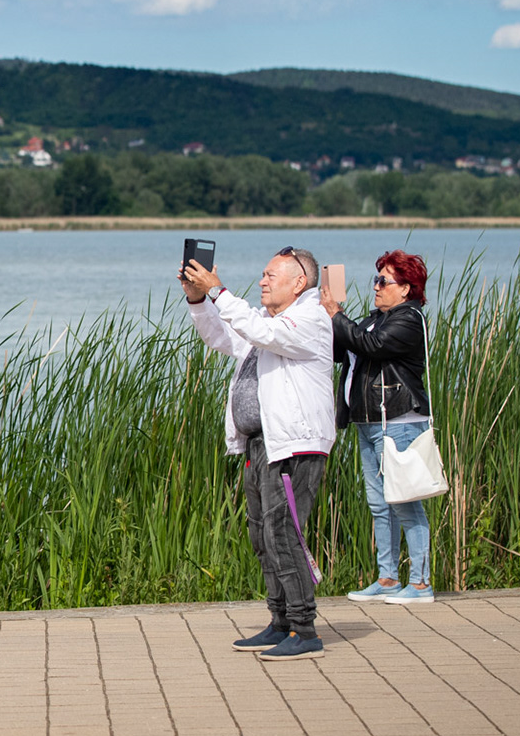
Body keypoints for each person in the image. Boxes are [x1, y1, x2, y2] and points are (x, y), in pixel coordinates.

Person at [180, 246, 336, 661]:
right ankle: (280, 622)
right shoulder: (269, 324)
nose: (263, 281)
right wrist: (198, 298)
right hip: (261, 444)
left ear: (299, 282)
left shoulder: (309, 319)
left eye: (270, 275)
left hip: (294, 444)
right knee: (262, 535)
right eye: (263, 275)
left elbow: (257, 330)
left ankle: (305, 630)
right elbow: (220, 334)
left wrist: (219, 291)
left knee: (283, 532)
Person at [322, 250, 434, 604]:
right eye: (376, 279)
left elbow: (372, 346)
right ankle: (387, 578)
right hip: (368, 421)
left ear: (406, 288)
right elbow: (344, 350)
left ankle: (421, 584)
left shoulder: (410, 320)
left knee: (405, 501)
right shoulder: (374, 320)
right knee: (379, 504)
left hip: (398, 420)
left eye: (384, 281)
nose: (376, 287)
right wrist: (329, 317)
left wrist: (337, 315)